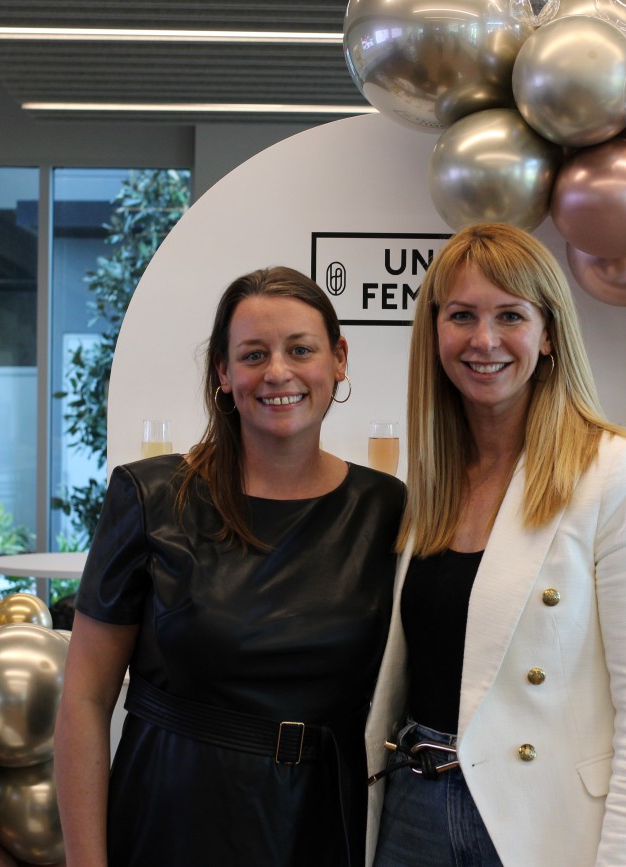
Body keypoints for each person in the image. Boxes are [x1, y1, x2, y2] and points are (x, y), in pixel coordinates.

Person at [364, 223, 626, 867]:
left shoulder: (620, 472)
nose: (484, 340)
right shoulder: (432, 480)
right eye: (462, 315)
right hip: (413, 807)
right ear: (434, 335)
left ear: (549, 335)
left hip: (544, 824)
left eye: (510, 315)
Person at [54, 266, 405, 866]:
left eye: (301, 350)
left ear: (339, 359)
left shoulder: (385, 508)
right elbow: (85, 700)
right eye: (253, 354)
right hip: (176, 820)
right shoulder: (150, 496)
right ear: (222, 372)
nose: (277, 373)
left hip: (324, 823)